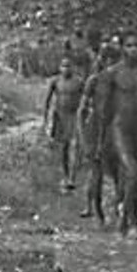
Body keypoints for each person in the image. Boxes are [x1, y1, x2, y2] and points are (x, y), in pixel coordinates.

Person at [94, 33, 137, 237]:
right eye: (129, 45)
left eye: (136, 45)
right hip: (120, 128)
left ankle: (128, 211)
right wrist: (100, 140)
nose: (134, 49)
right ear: (122, 48)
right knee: (131, 170)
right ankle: (129, 219)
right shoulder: (113, 73)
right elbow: (105, 109)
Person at [78, 41, 122, 221]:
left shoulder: (122, 82)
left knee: (120, 171)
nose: (110, 65)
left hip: (116, 129)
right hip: (96, 129)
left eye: (114, 61)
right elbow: (82, 110)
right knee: (95, 172)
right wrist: (82, 134)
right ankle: (95, 209)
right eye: (107, 61)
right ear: (102, 61)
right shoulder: (93, 81)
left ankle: (119, 208)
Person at [43, 56, 86, 192]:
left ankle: (72, 178)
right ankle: (66, 175)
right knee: (64, 148)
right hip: (60, 117)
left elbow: (87, 98)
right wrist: (46, 119)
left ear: (72, 67)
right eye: (63, 66)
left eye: (68, 66)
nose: (66, 69)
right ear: (60, 68)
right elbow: (48, 101)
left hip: (74, 116)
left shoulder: (79, 81)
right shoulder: (55, 81)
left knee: (75, 146)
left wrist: (85, 113)